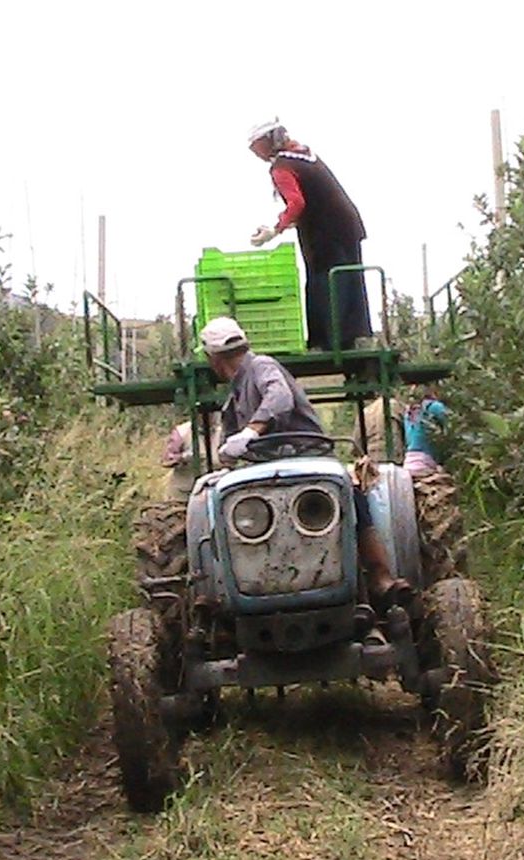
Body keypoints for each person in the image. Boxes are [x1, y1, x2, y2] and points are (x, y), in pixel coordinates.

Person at [199, 315, 410, 602]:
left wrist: (251, 431)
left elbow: (279, 398)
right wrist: (227, 452)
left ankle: (378, 574)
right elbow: (231, 441)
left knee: (350, 495)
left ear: (214, 359)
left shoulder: (262, 366)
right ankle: (236, 588)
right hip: (265, 468)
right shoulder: (235, 393)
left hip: (307, 456)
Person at [246, 119, 372, 352]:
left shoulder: (282, 167)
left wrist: (274, 230)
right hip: (347, 226)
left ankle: (327, 342)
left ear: (267, 142)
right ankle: (351, 338)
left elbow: (297, 202)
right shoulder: (305, 154)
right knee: (347, 278)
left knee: (324, 282)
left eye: (256, 147)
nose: (256, 154)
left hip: (325, 235)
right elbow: (316, 201)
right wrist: (283, 224)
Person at [403, 387, 450, 476]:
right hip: (426, 460)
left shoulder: (408, 412)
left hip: (409, 460)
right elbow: (451, 425)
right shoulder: (435, 407)